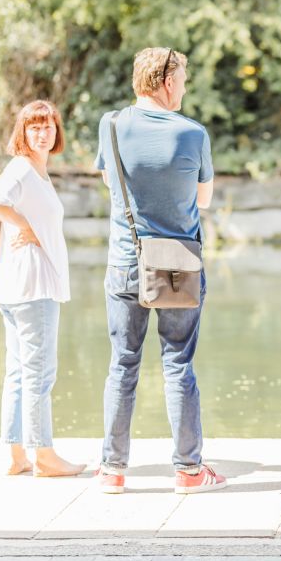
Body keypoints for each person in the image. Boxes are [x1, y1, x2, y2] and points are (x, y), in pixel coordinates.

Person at [94, 47, 224, 495]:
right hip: (179, 266)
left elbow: (112, 185)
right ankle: (189, 471)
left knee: (123, 364)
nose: (185, 87)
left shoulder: (109, 125)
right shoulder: (193, 134)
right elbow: (203, 201)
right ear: (168, 82)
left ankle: (112, 470)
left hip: (126, 263)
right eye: (183, 79)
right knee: (178, 364)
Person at [0, 100, 85, 478]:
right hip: (32, 289)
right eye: (34, 127)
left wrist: (25, 224)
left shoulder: (35, 172)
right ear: (22, 133)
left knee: (18, 372)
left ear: (57, 131)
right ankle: (44, 455)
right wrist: (24, 226)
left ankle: (16, 456)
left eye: (48, 126)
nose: (42, 133)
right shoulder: (23, 169)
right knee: (39, 375)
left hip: (17, 288)